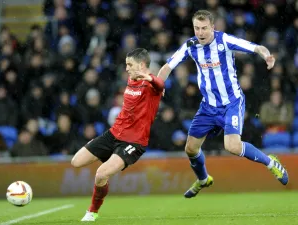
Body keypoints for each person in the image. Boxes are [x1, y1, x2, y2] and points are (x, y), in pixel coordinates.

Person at [156, 10, 289, 198]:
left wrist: (266, 56)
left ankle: (271, 162)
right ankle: (203, 179)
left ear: (213, 27)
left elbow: (256, 47)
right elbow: (168, 67)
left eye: (204, 28)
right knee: (190, 149)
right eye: (197, 28)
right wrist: (158, 84)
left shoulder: (224, 40)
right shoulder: (190, 45)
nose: (200, 32)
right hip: (208, 106)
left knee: (232, 146)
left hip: (231, 103)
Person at [71, 48, 164, 221]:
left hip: (133, 142)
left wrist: (150, 78)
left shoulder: (152, 85)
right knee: (76, 162)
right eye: (126, 64)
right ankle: (105, 175)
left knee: (100, 174)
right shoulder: (130, 79)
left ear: (142, 65)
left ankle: (92, 211)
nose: (127, 68)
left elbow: (160, 84)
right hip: (113, 134)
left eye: (130, 64)